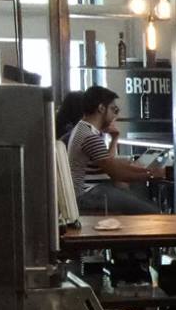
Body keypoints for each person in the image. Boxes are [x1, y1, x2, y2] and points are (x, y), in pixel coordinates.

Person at [61, 85, 165, 215]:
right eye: (113, 109)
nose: (115, 115)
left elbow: (109, 163)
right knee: (153, 212)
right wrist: (152, 173)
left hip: (92, 191)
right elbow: (116, 173)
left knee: (133, 191)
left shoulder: (84, 129)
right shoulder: (89, 136)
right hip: (88, 194)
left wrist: (114, 138)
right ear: (101, 108)